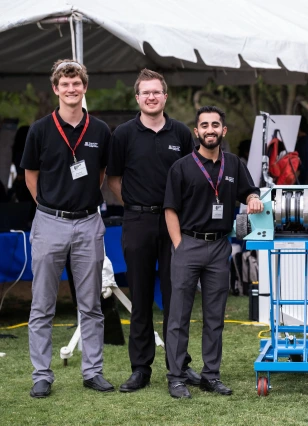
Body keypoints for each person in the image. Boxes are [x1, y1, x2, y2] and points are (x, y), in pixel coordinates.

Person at [21, 59, 114, 397]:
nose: (71, 89)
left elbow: (102, 173)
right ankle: (41, 375)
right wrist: (47, 206)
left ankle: (92, 372)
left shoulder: (101, 130)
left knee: (90, 304)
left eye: (77, 84)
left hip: (89, 223)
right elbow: (30, 174)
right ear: (56, 89)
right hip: (49, 223)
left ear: (84, 88)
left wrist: (81, 202)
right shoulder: (40, 130)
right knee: (42, 303)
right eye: (65, 84)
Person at [106, 69, 198, 392]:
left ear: (165, 96)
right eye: (145, 92)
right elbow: (113, 179)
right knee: (141, 296)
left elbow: (192, 178)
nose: (151, 97)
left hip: (175, 223)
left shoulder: (182, 134)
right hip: (137, 222)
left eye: (156, 92)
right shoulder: (124, 135)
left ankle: (180, 365)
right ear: (137, 98)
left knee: (176, 296)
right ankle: (140, 369)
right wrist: (133, 204)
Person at [163, 106, 263, 399]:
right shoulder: (181, 167)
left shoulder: (233, 164)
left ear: (223, 130)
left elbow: (250, 190)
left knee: (214, 316)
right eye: (204, 125)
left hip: (220, 247)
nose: (210, 129)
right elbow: (170, 209)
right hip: (188, 244)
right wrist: (179, 245)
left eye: (215, 124)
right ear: (197, 132)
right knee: (179, 316)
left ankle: (210, 375)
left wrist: (254, 197)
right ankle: (177, 377)